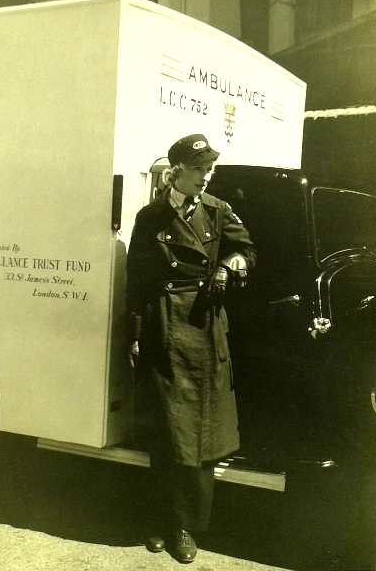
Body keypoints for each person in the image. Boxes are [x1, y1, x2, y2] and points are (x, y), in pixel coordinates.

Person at [126, 134, 256, 564]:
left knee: (198, 441)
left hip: (203, 329)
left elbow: (248, 252)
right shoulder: (150, 218)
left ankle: (184, 527)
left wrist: (227, 265)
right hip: (165, 326)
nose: (206, 177)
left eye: (210, 170)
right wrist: (136, 333)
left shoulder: (218, 213)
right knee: (166, 433)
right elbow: (139, 282)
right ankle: (156, 518)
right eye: (199, 169)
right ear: (177, 170)